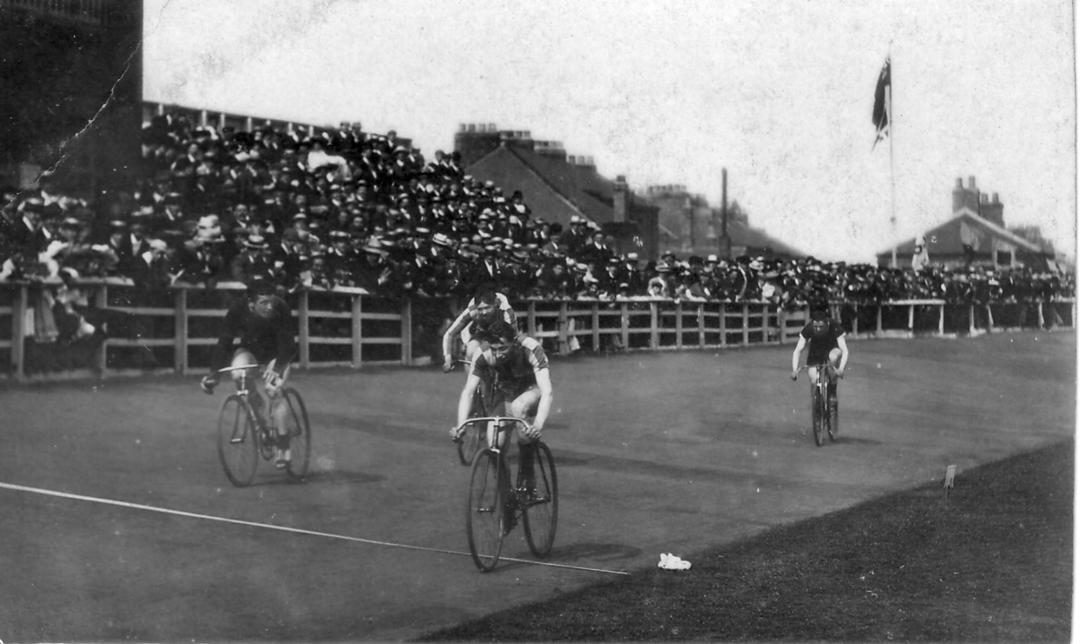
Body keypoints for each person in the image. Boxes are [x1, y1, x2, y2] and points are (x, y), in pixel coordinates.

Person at [200, 277, 296, 468]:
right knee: (238, 374)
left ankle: (284, 445)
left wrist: (277, 370)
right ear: (251, 305)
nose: (270, 307)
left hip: (277, 354)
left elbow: (288, 344)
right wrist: (214, 375)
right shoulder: (237, 309)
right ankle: (259, 418)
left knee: (274, 391)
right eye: (264, 303)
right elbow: (224, 342)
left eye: (272, 302)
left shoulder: (281, 308)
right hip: (251, 351)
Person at [453, 319, 553, 497]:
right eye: (494, 349)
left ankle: (528, 475)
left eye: (503, 349)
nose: (498, 355)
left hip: (532, 392)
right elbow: (468, 392)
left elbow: (547, 392)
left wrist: (537, 426)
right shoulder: (483, 354)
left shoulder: (530, 348)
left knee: (519, 407)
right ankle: (506, 493)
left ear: (514, 342)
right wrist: (461, 425)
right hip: (506, 396)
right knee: (494, 444)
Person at [790, 305, 850, 427]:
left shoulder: (834, 326)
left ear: (826, 323)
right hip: (815, 355)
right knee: (813, 379)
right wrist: (794, 369)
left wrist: (841, 369)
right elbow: (797, 350)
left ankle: (832, 393)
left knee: (833, 359)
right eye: (815, 326)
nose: (817, 329)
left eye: (821, 327)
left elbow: (845, 350)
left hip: (832, 350)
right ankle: (818, 406)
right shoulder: (808, 329)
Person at [440, 282, 515, 372]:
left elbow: (513, 338)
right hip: (482, 333)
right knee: (471, 350)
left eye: (487, 308)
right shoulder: (472, 311)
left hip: (502, 337)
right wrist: (448, 359)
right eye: (480, 309)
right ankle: (473, 383)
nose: (484, 312)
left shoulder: (507, 311)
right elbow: (450, 334)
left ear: (495, 304)